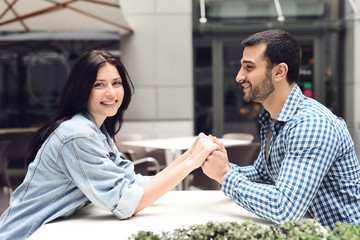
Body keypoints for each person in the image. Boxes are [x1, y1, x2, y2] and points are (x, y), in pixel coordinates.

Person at [0, 50, 219, 239]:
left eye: (116, 83)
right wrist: (190, 162)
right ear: (82, 90)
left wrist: (188, 155)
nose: (111, 93)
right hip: (25, 233)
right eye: (99, 85)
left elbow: (131, 183)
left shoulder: (96, 130)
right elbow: (125, 204)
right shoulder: (77, 135)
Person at [201, 29, 360, 229]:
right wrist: (218, 164)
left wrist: (224, 175)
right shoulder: (274, 119)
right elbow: (263, 176)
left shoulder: (310, 124)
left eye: (249, 68)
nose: (239, 77)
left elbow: (284, 209)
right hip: (306, 230)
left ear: (279, 72)